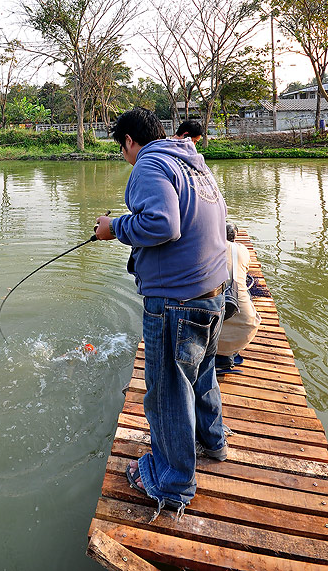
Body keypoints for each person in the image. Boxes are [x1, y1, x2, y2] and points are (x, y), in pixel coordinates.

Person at [94, 107, 228, 520]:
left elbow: (163, 223)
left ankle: (172, 481)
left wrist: (113, 227)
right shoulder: (191, 163)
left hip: (177, 301)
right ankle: (213, 441)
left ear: (131, 141)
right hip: (213, 293)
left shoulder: (149, 164)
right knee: (201, 373)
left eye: (121, 148)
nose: (123, 155)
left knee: (169, 390)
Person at [216, 223, 261, 372]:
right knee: (243, 289)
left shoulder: (211, 246)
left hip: (208, 331)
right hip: (244, 330)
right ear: (234, 237)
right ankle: (229, 353)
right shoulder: (242, 250)